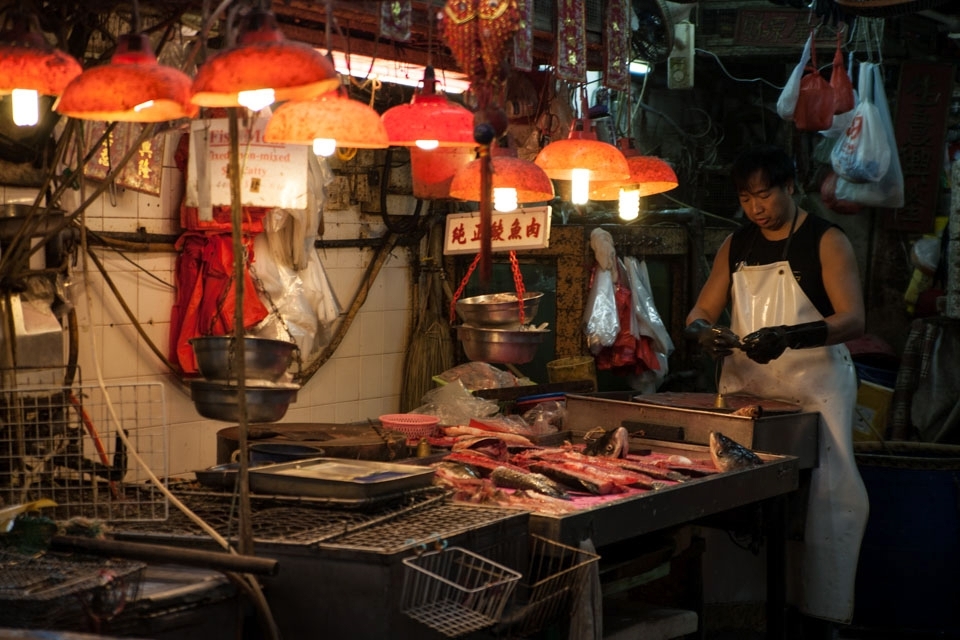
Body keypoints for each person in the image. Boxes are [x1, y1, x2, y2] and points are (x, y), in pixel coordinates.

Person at [684, 144, 869, 633]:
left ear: (790, 186)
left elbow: (853, 317)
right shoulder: (737, 244)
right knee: (738, 496)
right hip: (750, 391)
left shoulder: (827, 240)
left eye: (764, 195)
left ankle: (822, 613)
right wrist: (705, 333)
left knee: (827, 496)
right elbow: (700, 310)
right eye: (746, 199)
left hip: (816, 389)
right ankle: (739, 611)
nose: (756, 208)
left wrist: (791, 336)